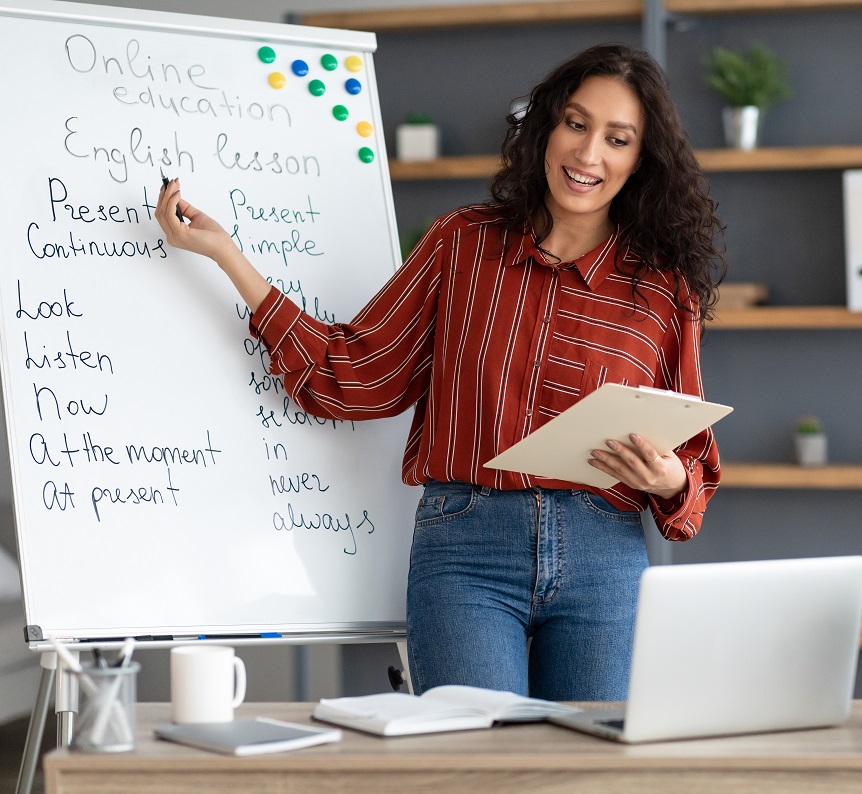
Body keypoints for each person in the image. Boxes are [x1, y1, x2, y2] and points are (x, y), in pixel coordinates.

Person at [155, 43, 725, 701]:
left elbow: (694, 468)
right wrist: (228, 258)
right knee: (470, 762)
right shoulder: (461, 242)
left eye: (617, 138)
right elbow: (354, 374)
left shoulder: (661, 290)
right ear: (545, 127)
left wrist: (669, 477)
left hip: (604, 553)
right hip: (466, 551)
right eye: (575, 123)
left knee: (589, 770)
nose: (588, 153)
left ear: (638, 160)